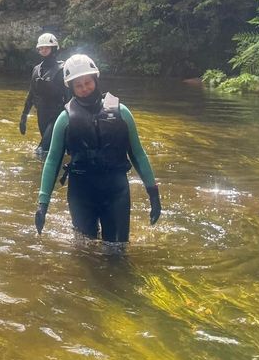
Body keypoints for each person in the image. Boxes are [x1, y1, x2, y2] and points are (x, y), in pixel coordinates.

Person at [33, 54, 162, 242]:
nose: (85, 88)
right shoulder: (65, 119)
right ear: (71, 87)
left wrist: (153, 194)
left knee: (117, 250)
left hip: (116, 191)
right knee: (85, 252)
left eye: (88, 82)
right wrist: (42, 205)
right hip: (81, 193)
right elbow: (52, 161)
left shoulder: (121, 113)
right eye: (78, 85)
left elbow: (138, 154)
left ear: (96, 79)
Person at [19, 32, 71, 155]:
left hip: (57, 115)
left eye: (46, 48)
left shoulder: (62, 69)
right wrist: (24, 116)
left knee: (42, 150)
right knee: (53, 147)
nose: (43, 50)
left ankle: (40, 173)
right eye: (41, 48)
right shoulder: (36, 70)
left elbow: (69, 97)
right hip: (42, 114)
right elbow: (31, 94)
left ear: (53, 48)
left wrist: (70, 119)